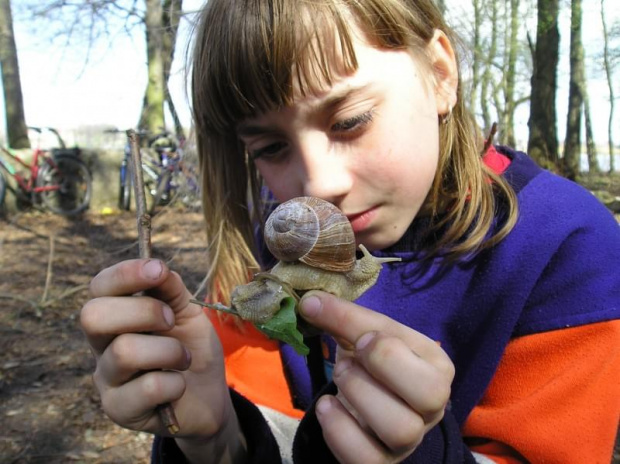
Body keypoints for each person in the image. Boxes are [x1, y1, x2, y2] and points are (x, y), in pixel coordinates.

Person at [81, 0, 620, 463]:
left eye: (351, 120)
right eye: (270, 148)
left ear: (439, 74)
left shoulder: (566, 245)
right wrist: (216, 439)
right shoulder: (271, 250)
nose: (319, 182)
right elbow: (265, 425)